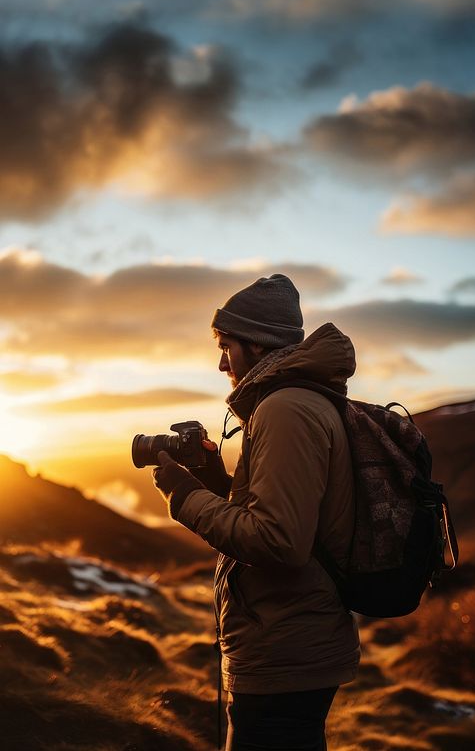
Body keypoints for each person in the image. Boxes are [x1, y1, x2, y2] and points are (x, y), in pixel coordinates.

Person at [152, 273, 360, 751]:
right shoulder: (295, 402)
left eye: (227, 345)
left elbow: (279, 541)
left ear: (259, 344)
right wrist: (214, 482)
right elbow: (285, 512)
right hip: (288, 639)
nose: (221, 361)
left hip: (286, 647)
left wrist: (185, 497)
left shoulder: (286, 409)